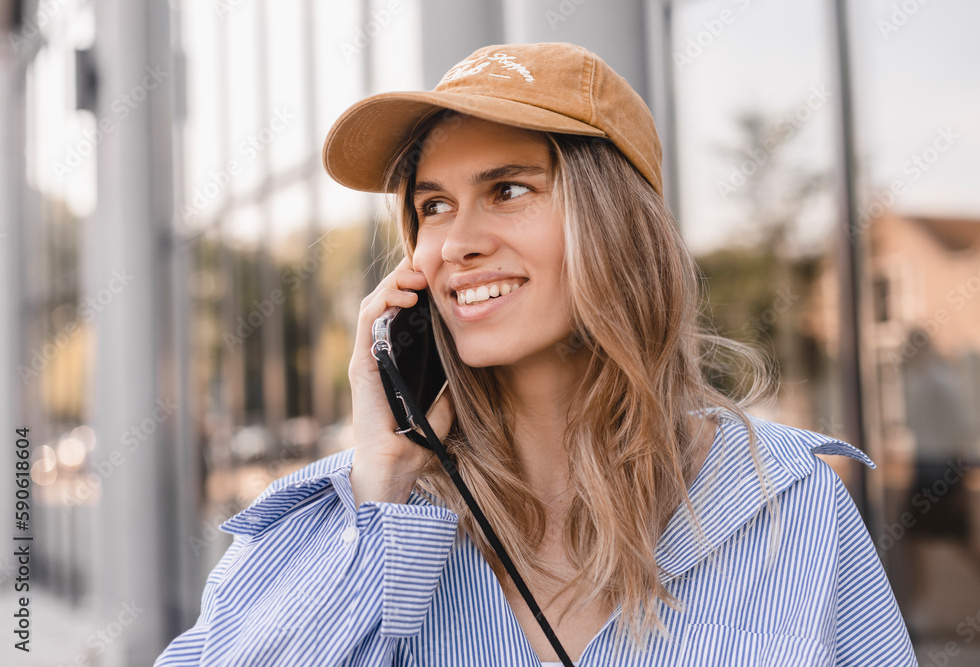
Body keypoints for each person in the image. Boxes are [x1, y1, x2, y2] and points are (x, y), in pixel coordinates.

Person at [156, 42, 917, 666]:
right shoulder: (345, 514)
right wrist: (383, 481)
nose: (457, 242)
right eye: (433, 206)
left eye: (509, 189)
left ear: (616, 223)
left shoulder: (787, 502)